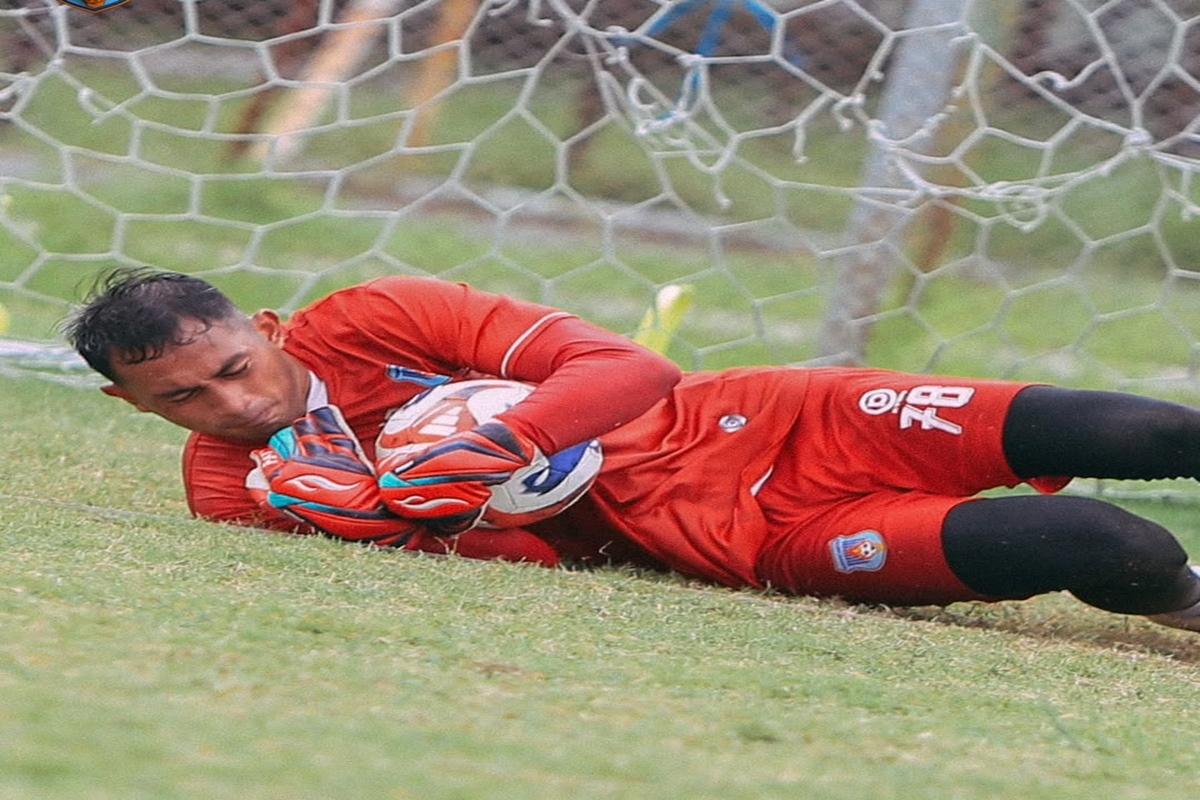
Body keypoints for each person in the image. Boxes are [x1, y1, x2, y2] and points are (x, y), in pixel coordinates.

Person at [63, 267, 1200, 632]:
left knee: (1141, 430)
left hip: (775, 413)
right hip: (740, 535)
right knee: (1096, 536)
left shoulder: (378, 315)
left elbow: (631, 372)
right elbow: (547, 573)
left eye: (234, 366)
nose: (233, 403)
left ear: (263, 330)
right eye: (186, 398)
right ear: (131, 403)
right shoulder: (241, 496)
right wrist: (422, 518)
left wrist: (501, 438)